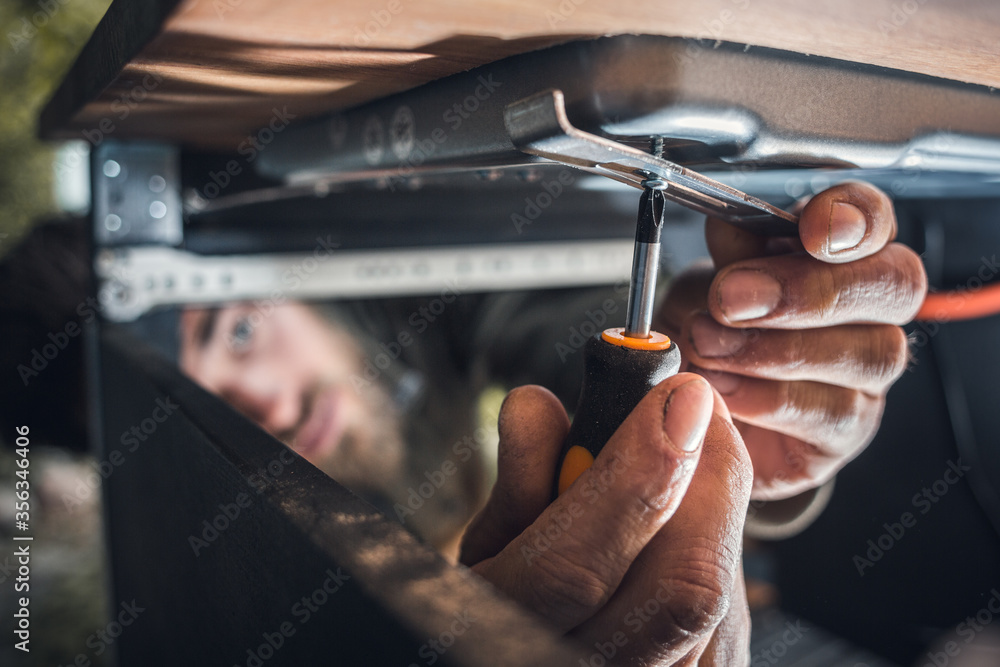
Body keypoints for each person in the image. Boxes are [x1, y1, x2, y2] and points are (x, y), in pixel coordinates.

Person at [174, 181, 927, 663]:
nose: (266, 410)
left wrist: (719, 378)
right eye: (210, 406)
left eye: (236, 332)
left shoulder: (409, 260)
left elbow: (566, 327)